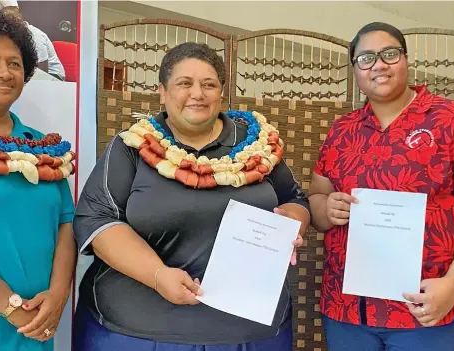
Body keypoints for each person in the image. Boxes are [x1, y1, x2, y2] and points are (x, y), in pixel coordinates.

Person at [72, 42, 310, 351]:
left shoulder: (256, 145)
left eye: (208, 84)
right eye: (184, 83)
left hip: (251, 329)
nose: (197, 93)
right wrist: (157, 275)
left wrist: (293, 221)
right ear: (162, 91)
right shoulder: (131, 146)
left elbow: (295, 200)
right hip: (135, 331)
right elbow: (95, 219)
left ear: (221, 92)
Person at [308, 22, 454, 351]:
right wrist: (326, 208)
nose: (379, 65)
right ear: (355, 70)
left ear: (405, 59)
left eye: (390, 54)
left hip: (433, 310)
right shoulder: (342, 131)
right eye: (366, 58)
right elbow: (316, 199)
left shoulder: (451, 119)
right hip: (349, 312)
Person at [0, 8, 76, 351]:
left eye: (15, 63)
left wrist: (57, 294)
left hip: (36, 326)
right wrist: (10, 307)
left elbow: (66, 223)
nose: (4, 73)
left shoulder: (41, 146)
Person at [2, 6, 65, 81]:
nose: (5, 29)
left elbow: (42, 72)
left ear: (18, 21)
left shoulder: (35, 36)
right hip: (31, 73)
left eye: (8, 26)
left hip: (53, 76)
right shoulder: (14, 34)